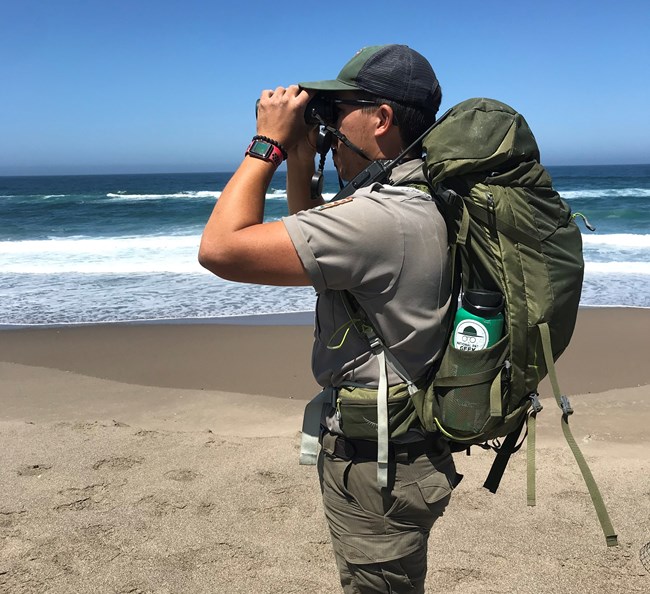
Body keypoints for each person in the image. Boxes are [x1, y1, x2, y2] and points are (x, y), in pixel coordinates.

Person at [199, 44, 460, 594]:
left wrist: (267, 143)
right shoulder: (419, 197)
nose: (330, 128)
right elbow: (317, 237)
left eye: (338, 112)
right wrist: (302, 160)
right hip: (403, 453)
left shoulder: (380, 218)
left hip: (378, 470)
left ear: (381, 119)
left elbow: (221, 248)